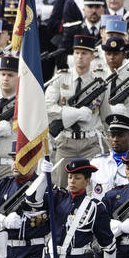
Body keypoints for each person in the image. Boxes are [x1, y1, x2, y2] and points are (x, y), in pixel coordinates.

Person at [45, 34, 111, 188]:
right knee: (62, 187)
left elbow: (106, 118)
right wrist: (73, 114)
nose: (80, 57)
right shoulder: (61, 78)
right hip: (66, 143)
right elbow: (47, 106)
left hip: (91, 144)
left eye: (84, 53)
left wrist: (112, 147)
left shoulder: (98, 84)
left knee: (93, 188)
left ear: (92, 56)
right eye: (77, 53)